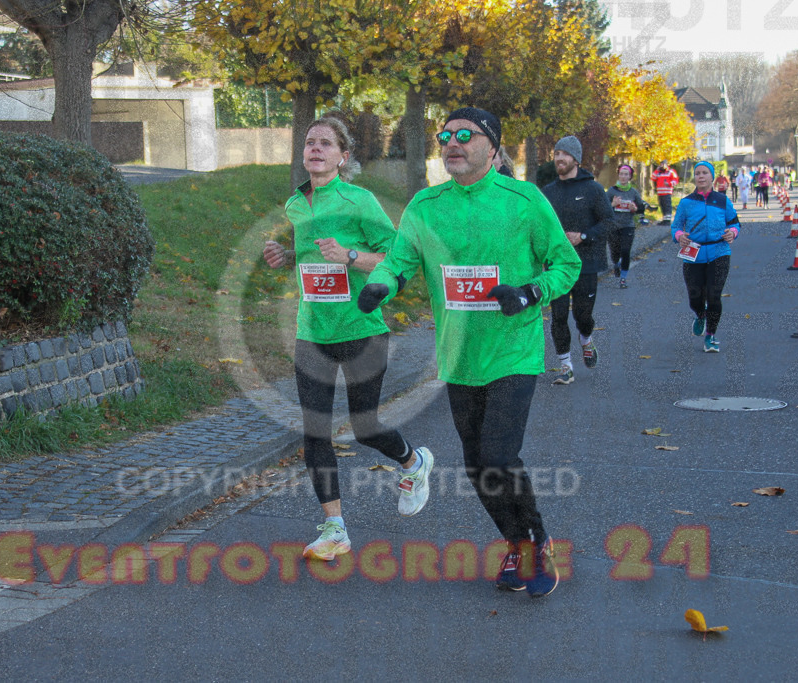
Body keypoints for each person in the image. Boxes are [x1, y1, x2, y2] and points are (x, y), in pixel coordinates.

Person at [358, 107, 580, 598]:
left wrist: (528, 292)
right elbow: (399, 262)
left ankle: (537, 543)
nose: (452, 143)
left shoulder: (522, 199)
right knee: (478, 464)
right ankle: (514, 542)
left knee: (500, 454)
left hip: (513, 351)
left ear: (493, 148)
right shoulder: (425, 205)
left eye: (465, 135)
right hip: (459, 356)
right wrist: (380, 287)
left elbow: (567, 263)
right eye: (445, 135)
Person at [262, 115, 433, 562]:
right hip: (312, 330)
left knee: (365, 426)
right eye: (309, 142)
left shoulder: (360, 200)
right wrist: (286, 256)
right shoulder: (296, 205)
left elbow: (398, 257)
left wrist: (351, 256)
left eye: (325, 143)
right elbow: (311, 253)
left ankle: (414, 462)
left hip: (361, 328)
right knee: (314, 431)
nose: (314, 149)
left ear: (343, 156)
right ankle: (334, 528)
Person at [541, 135, 617, 385]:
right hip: (557, 267)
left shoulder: (593, 189)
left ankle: (586, 338)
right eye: (556, 154)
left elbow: (609, 221)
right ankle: (565, 366)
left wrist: (583, 236)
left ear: (575, 159)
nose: (559, 158)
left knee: (583, 316)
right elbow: (540, 228)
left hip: (587, 263)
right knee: (558, 316)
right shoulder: (548, 192)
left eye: (564, 154)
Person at [672, 161, 741, 353]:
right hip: (693, 254)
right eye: (698, 173)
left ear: (712, 177)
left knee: (714, 296)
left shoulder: (722, 200)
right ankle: (700, 315)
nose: (701, 176)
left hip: (719, 252)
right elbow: (676, 226)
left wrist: (733, 233)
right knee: (695, 298)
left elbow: (735, 223)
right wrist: (679, 236)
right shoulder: (686, 202)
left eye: (704, 173)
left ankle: (710, 336)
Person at [605, 163, 647, 289]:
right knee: (615, 252)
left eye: (626, 174)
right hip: (613, 226)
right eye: (621, 174)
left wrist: (635, 208)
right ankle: (616, 264)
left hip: (628, 226)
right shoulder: (612, 191)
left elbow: (641, 208)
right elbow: (603, 208)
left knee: (625, 251)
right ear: (618, 175)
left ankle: (623, 279)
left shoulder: (633, 192)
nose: (623, 177)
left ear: (630, 177)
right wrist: (613, 204)